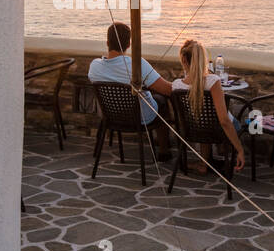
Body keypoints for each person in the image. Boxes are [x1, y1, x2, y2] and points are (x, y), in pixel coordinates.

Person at [88, 22, 173, 155]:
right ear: (128, 44)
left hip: (111, 116)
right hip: (139, 117)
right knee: (161, 101)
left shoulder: (95, 66)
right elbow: (168, 90)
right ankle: (164, 151)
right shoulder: (137, 64)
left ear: (107, 43)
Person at [172, 38, 245, 175]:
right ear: (203, 59)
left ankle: (204, 163)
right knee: (233, 120)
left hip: (195, 129)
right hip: (217, 131)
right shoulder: (213, 81)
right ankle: (222, 152)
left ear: (184, 60)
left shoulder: (176, 85)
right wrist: (240, 150)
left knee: (202, 118)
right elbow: (224, 121)